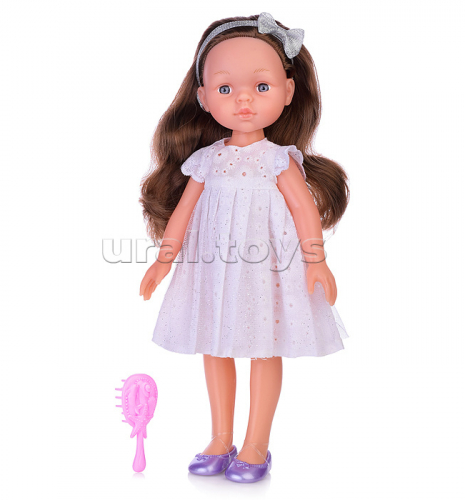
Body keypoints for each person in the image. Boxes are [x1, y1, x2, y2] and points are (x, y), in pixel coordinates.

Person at [139, 12, 350, 483]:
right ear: (203, 97)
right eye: (225, 88)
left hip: (263, 270)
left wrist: (316, 261)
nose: (244, 100)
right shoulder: (205, 160)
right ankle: (220, 437)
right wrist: (162, 261)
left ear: (288, 91)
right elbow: (183, 215)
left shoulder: (278, 159)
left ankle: (256, 443)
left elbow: (303, 211)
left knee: (262, 347)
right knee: (213, 346)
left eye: (261, 86)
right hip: (213, 270)